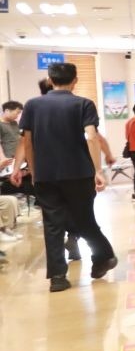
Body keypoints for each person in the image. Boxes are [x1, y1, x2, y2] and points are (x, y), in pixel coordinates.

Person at [16, 61, 117, 292]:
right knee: (84, 220)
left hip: (46, 174)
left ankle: (58, 277)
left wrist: (34, 171)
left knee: (52, 225)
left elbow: (27, 142)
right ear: (75, 80)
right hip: (79, 173)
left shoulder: (32, 105)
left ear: (50, 80)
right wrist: (97, 170)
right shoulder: (83, 104)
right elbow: (91, 137)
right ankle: (103, 256)